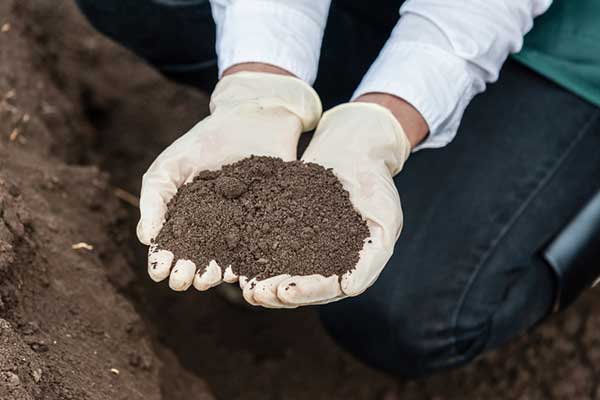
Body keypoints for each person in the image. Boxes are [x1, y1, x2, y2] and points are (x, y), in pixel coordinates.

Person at [76, 0, 600, 377]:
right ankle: (324, 113)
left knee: (408, 314)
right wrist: (262, 84)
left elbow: (473, 14)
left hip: (570, 50)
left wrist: (384, 124)